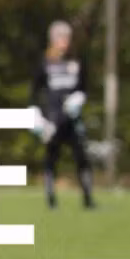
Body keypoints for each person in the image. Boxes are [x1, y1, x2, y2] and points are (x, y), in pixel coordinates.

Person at [32, 20, 95, 210]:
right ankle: (51, 199)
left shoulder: (76, 62)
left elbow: (84, 88)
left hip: (73, 120)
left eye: (67, 37)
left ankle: (88, 199)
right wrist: (38, 116)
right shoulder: (45, 63)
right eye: (60, 37)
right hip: (53, 121)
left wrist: (79, 98)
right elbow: (35, 92)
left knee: (82, 157)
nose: (64, 41)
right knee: (51, 158)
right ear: (53, 40)